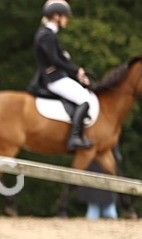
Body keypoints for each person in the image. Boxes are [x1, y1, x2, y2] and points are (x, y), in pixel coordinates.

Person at [29, 1, 94, 151]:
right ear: (56, 16)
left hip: (57, 76)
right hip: (53, 79)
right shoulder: (46, 35)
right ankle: (75, 138)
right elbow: (55, 60)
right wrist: (77, 71)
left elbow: (62, 59)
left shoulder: (50, 34)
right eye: (65, 16)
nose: (67, 20)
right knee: (85, 99)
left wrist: (78, 74)